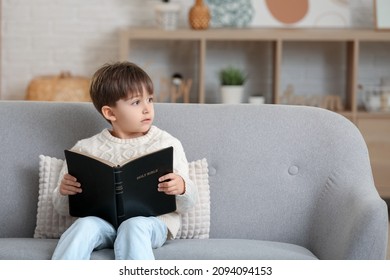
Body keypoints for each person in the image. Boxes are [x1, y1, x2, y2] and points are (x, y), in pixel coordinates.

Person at [51, 61, 197, 260]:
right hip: (104, 225)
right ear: (110, 113)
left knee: (133, 225)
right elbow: (61, 208)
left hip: (150, 225)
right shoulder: (84, 149)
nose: (147, 109)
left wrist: (181, 187)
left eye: (150, 99)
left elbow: (189, 204)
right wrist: (64, 192)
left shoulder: (167, 143)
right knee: (83, 226)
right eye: (136, 102)